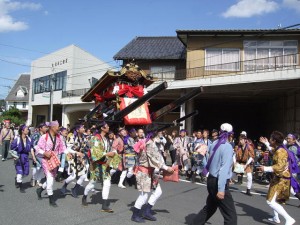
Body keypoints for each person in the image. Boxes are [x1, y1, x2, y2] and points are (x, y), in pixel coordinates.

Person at [191, 123, 237, 225]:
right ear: (231, 134)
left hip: (211, 179)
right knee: (231, 216)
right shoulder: (228, 147)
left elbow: (209, 161)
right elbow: (223, 169)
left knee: (210, 207)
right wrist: (221, 189)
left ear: (220, 132)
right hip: (218, 182)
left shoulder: (214, 143)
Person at [131, 131, 174, 223]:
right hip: (145, 172)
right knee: (144, 195)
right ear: (155, 134)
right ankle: (135, 215)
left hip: (149, 172)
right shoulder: (150, 144)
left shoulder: (143, 141)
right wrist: (166, 168)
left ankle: (146, 211)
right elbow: (156, 159)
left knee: (158, 191)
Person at [82, 122, 120, 213]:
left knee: (107, 183)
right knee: (92, 183)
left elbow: (107, 151)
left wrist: (113, 154)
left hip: (104, 164)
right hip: (96, 164)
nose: (108, 127)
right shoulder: (95, 138)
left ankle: (104, 205)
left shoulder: (106, 139)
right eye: (106, 126)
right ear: (102, 128)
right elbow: (95, 153)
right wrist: (107, 153)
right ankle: (84, 196)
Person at [258, 131, 296, 225]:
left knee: (270, 201)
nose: (270, 139)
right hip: (279, 177)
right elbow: (273, 151)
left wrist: (265, 168)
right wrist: (266, 143)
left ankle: (289, 219)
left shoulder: (281, 151)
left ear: (274, 140)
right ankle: (276, 217)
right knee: (274, 200)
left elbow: (280, 166)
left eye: (270, 138)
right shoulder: (279, 148)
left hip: (281, 179)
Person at [35, 121, 67, 207]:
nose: (59, 128)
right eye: (57, 127)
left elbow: (63, 148)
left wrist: (73, 153)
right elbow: (37, 148)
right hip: (46, 160)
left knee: (51, 179)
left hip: (54, 161)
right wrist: (44, 153)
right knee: (49, 178)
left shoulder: (59, 137)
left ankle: (40, 190)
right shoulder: (44, 137)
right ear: (52, 127)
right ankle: (51, 199)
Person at [60, 124, 86, 197]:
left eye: (84, 128)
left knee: (83, 175)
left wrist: (83, 157)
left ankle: (75, 189)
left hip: (80, 159)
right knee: (73, 176)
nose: (84, 129)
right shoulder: (72, 137)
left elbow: (84, 148)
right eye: (82, 128)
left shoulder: (84, 137)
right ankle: (64, 186)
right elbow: (68, 149)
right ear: (77, 130)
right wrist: (76, 152)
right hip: (72, 158)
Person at [11, 125, 32, 193]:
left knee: (26, 173)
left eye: (28, 129)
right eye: (26, 129)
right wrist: (14, 156)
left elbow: (31, 148)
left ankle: (17, 179)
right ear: (22, 131)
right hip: (19, 157)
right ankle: (21, 187)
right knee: (20, 172)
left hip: (26, 157)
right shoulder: (17, 139)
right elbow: (12, 148)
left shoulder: (29, 139)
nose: (28, 130)